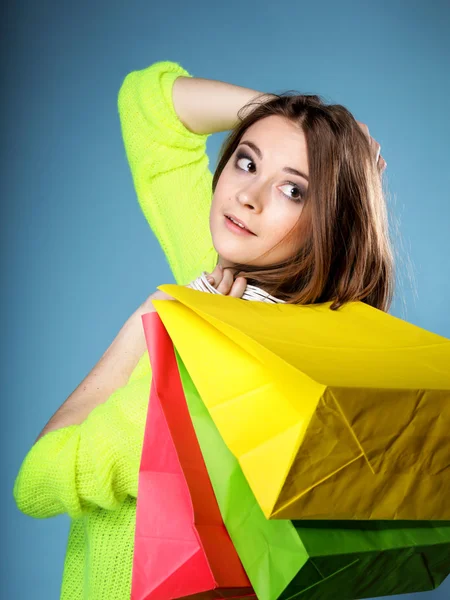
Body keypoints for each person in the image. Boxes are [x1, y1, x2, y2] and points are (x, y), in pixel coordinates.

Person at [13, 60, 390, 599]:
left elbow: (38, 482)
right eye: (246, 161)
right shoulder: (235, 272)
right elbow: (151, 107)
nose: (248, 196)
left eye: (294, 191)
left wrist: (149, 334)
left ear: (332, 215)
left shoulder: (225, 340)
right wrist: (302, 125)